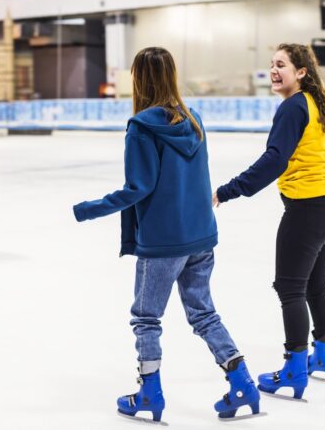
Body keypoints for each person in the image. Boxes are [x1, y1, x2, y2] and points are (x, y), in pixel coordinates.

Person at [73, 47, 262, 423]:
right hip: (201, 235)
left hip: (163, 242)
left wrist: (88, 209)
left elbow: (137, 188)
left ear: (138, 80)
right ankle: (242, 382)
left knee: (146, 317)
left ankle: (150, 393)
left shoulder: (141, 127)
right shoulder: (194, 120)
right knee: (203, 313)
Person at [213, 43, 325, 400]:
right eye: (272, 64)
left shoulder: (292, 107)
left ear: (301, 72)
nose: (274, 70)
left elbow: (275, 160)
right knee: (315, 285)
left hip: (308, 210)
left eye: (282, 65)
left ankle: (294, 370)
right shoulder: (317, 103)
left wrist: (227, 191)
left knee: (290, 289)